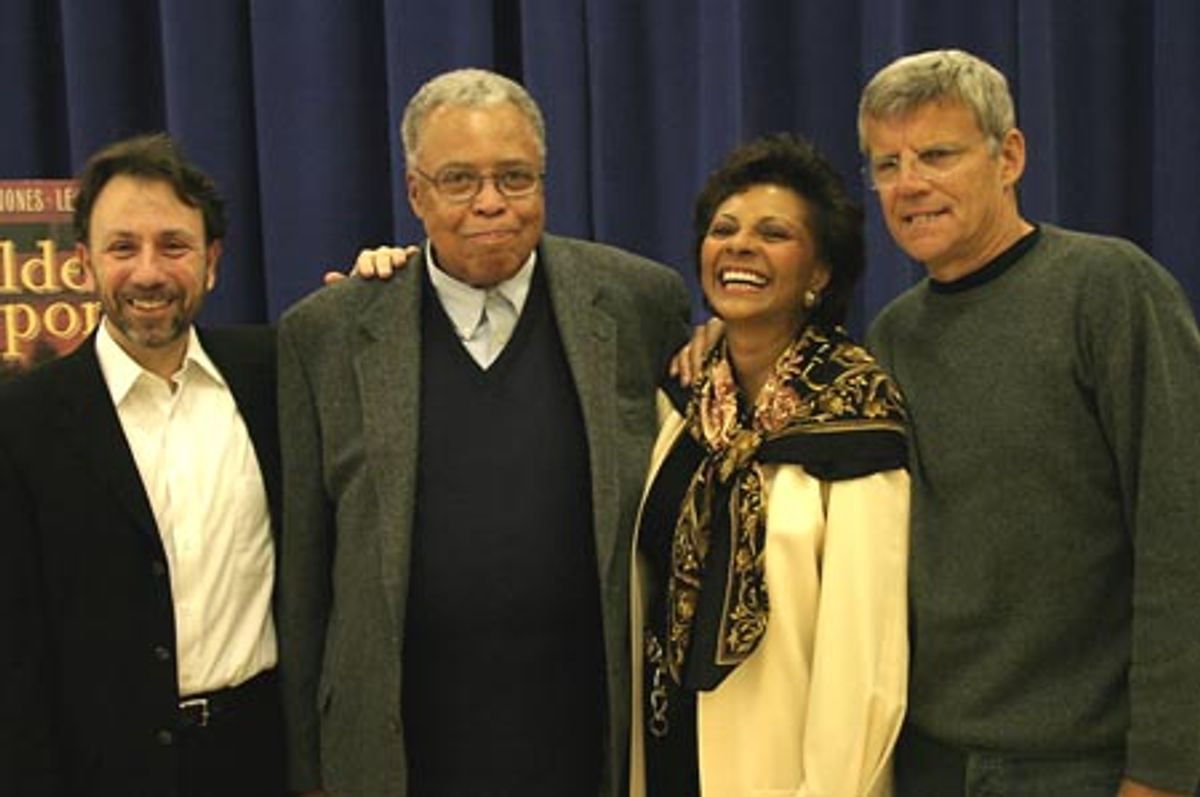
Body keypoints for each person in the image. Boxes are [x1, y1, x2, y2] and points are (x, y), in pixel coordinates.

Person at [277, 68, 691, 797]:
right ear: (415, 193)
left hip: (589, 738)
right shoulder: (329, 333)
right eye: (459, 179)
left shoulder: (638, 302)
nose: (490, 202)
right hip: (404, 748)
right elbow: (306, 566)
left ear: (544, 181)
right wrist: (309, 764)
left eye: (515, 176)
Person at [860, 49, 1200, 797]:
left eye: (937, 154)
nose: (909, 183)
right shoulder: (890, 337)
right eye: (887, 164)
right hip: (928, 760)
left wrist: (1167, 768)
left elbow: (1183, 532)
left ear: (1008, 156)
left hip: (1085, 766)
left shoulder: (1110, 290)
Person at [0, 133, 285, 796]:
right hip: (102, 769)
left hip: (260, 758)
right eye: (123, 247)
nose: (149, 272)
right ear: (85, 263)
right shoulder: (22, 420)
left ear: (212, 262)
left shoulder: (275, 374)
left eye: (174, 245)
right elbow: (13, 649)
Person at [625, 133, 910, 796]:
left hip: (787, 771)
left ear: (819, 273)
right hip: (670, 752)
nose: (740, 245)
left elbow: (865, 666)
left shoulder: (853, 415)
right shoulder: (680, 406)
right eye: (724, 228)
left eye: (774, 232)